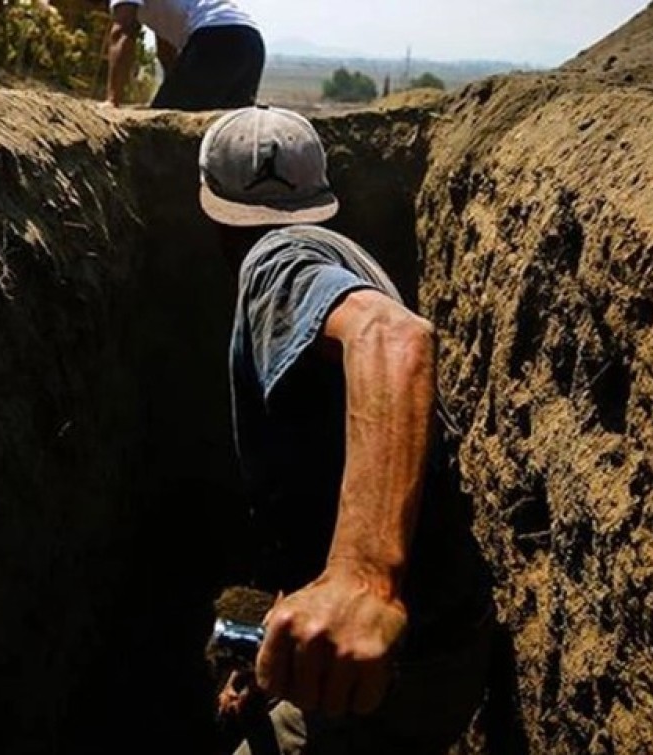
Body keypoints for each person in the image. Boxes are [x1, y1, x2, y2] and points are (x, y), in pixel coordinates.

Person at [198, 105, 497, 754]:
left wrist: (361, 577)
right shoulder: (343, 256)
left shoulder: (275, 261)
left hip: (386, 669)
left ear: (213, 211)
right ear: (321, 196)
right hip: (446, 641)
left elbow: (393, 337)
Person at [103, 0, 265, 110]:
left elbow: (123, 32)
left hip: (215, 39)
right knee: (228, 131)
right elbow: (166, 49)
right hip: (250, 41)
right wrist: (173, 89)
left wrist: (112, 101)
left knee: (159, 131)